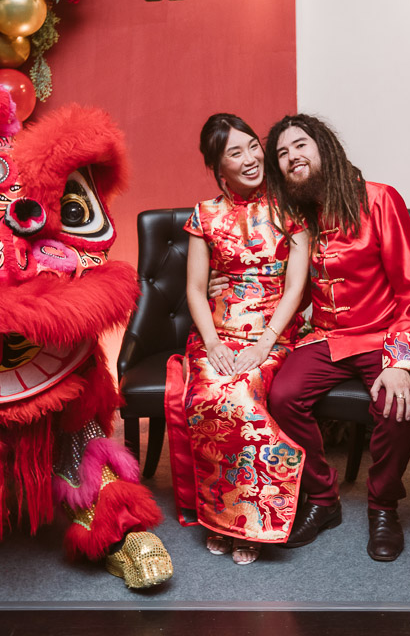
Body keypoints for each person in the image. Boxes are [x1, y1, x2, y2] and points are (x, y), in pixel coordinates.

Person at [263, 114, 410, 562]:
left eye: (299, 145)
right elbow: (294, 292)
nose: (291, 157)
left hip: (383, 333)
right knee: (282, 396)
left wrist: (399, 361)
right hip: (326, 337)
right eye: (281, 154)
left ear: (323, 148)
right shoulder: (299, 217)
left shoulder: (378, 199)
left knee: (396, 405)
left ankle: (383, 507)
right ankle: (323, 500)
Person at [164, 113, 310, 565]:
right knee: (209, 395)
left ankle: (252, 522)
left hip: (273, 332)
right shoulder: (204, 215)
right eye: (235, 153)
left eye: (252, 146)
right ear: (218, 166)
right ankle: (220, 518)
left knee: (243, 397)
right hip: (217, 333)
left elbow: (296, 288)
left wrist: (265, 343)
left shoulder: (291, 209)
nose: (250, 159)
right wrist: (212, 344)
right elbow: (194, 288)